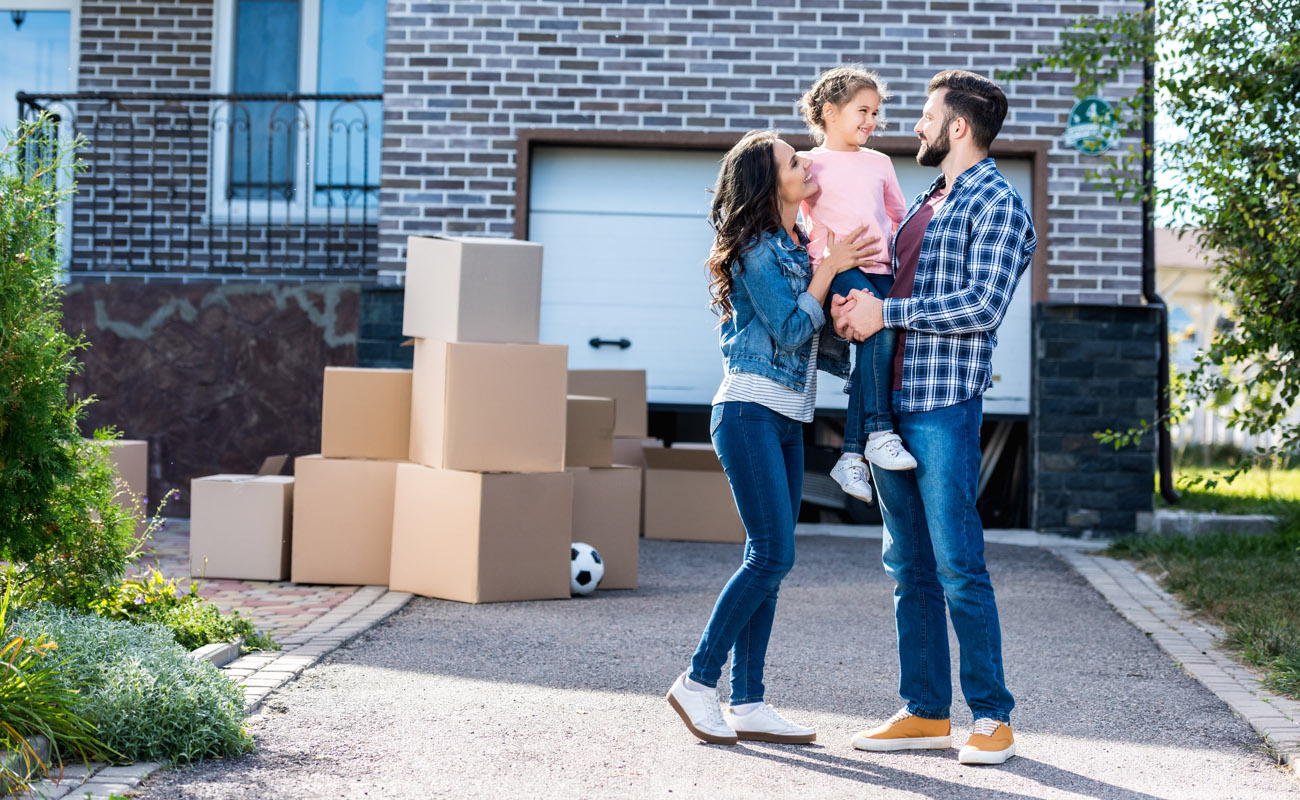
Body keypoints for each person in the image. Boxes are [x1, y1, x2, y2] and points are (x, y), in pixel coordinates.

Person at [831, 70, 1036, 766]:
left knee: (957, 563)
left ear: (957, 127)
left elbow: (981, 308)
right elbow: (886, 287)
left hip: (942, 404)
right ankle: (924, 710)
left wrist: (886, 312)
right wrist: (854, 310)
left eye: (924, 115)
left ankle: (992, 716)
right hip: (886, 404)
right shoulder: (925, 199)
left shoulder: (1000, 204)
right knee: (907, 566)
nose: (913, 126)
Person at [666, 129, 879, 746]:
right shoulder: (755, 249)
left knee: (770, 560)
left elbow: (815, 341)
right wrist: (830, 272)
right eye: (794, 160)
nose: (807, 162)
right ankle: (698, 681)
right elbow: (788, 331)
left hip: (788, 416)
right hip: (748, 412)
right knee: (771, 554)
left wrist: (850, 312)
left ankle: (749, 701)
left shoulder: (797, 245)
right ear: (770, 182)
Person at [797, 66, 917, 508]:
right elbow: (790, 211)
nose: (871, 121)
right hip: (839, 269)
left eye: (876, 113)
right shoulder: (808, 163)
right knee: (879, 331)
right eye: (862, 111)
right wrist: (820, 265)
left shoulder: (880, 163)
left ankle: (851, 454)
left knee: (877, 344)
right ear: (830, 112)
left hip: (881, 268)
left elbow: (898, 218)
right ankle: (879, 432)